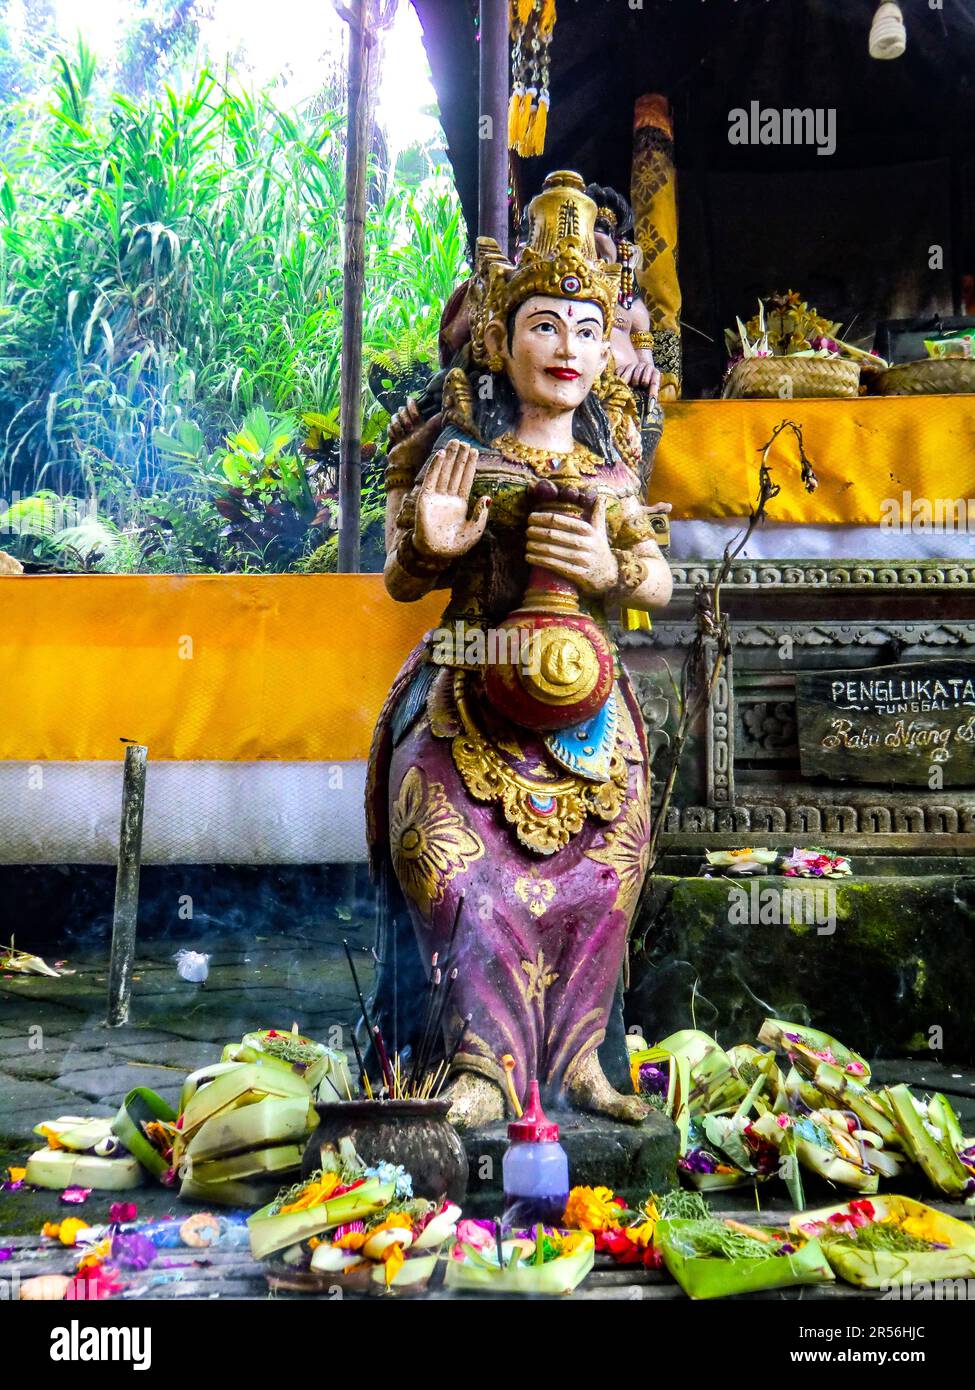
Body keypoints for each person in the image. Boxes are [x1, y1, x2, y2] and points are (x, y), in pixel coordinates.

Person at [365, 172, 672, 1129]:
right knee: (454, 865)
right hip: (469, 691)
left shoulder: (612, 468)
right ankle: (477, 1065)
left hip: (586, 714)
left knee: (607, 865)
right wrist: (434, 540)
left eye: (587, 329)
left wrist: (614, 570)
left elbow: (659, 584)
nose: (568, 349)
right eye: (545, 325)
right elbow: (402, 581)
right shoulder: (458, 451)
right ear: (501, 341)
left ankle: (580, 1059)